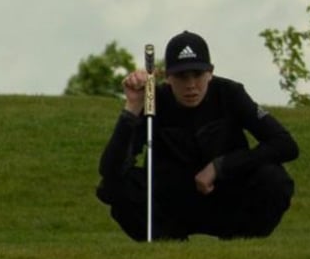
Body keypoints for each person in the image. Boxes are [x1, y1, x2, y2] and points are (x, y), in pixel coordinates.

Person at [96, 30, 299, 241]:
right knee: (113, 187)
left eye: (197, 74)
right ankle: (165, 241)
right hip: (171, 205)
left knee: (274, 178)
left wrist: (220, 166)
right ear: (167, 77)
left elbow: (285, 144)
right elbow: (110, 170)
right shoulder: (152, 101)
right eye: (182, 76)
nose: (191, 84)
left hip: (226, 198)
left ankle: (244, 241)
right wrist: (132, 108)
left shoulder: (230, 94)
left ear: (210, 73)